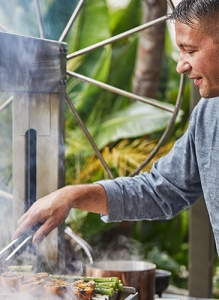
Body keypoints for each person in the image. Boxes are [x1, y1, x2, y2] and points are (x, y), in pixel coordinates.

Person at [13, 0, 219, 253]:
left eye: (190, 50)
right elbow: (162, 189)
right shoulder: (209, 116)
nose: (180, 66)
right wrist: (72, 196)